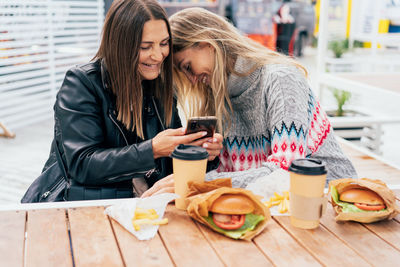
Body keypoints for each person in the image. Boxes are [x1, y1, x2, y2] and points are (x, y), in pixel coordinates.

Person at [21, 0, 222, 203]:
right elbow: (82, 165)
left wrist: (201, 154)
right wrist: (152, 149)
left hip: (147, 206)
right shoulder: (82, 83)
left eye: (163, 43)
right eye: (145, 46)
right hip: (83, 205)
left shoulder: (161, 86)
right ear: (120, 45)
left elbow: (170, 167)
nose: (158, 55)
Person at [169, 8, 357, 189]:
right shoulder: (218, 96)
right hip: (272, 207)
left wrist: (201, 182)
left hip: (333, 203)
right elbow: (233, 176)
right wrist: (207, 161)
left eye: (187, 67)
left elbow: (285, 173)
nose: (192, 80)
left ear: (207, 44)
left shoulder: (281, 79)